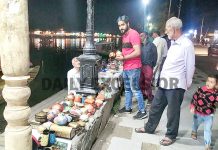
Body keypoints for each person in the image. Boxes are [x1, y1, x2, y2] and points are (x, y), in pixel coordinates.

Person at [135, 17, 195, 146]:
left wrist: (187, 83)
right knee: (156, 106)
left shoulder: (186, 44)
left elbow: (190, 66)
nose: (166, 32)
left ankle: (171, 135)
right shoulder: (172, 42)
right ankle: (149, 127)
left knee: (172, 111)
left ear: (174, 29)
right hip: (165, 82)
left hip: (176, 83)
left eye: (168, 29)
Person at [116, 15, 147, 119]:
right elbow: (126, 50)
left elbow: (138, 52)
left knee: (136, 89)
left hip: (134, 67)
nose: (121, 27)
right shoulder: (124, 36)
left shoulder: (133, 34)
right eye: (119, 25)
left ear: (128, 24)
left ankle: (142, 111)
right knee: (128, 89)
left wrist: (124, 58)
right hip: (126, 67)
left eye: (123, 24)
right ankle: (128, 107)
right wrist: (120, 54)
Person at [190, 74, 218, 150]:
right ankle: (194, 131)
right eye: (208, 81)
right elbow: (194, 98)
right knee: (195, 124)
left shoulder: (216, 94)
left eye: (212, 82)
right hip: (198, 113)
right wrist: (192, 106)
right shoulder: (201, 90)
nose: (208, 83)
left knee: (208, 129)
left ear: (216, 85)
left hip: (209, 115)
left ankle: (207, 145)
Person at [139, 32, 157, 107]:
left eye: (142, 35)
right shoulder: (140, 46)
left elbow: (155, 56)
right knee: (141, 82)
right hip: (140, 66)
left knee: (148, 82)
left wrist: (152, 65)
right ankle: (144, 95)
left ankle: (150, 97)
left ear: (146, 36)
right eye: (139, 36)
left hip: (148, 66)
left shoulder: (152, 45)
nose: (140, 37)